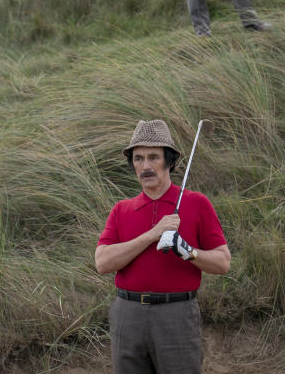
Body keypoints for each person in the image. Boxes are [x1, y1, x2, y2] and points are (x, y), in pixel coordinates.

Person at [95, 119, 231, 374]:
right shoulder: (121, 210)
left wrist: (187, 251)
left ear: (169, 161)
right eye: (138, 158)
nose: (145, 166)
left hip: (176, 315)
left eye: (153, 157)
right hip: (128, 315)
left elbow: (223, 262)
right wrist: (152, 235)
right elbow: (102, 262)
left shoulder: (196, 204)